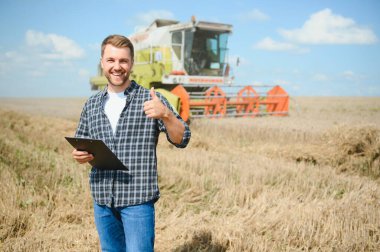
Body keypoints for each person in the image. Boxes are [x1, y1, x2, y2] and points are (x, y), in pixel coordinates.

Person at [72, 34, 191, 251]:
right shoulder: (91, 105)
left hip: (137, 201)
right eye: (111, 60)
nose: (117, 67)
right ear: (102, 63)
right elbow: (82, 144)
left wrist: (166, 115)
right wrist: (80, 156)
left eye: (123, 61)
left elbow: (182, 138)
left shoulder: (151, 100)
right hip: (103, 200)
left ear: (131, 64)